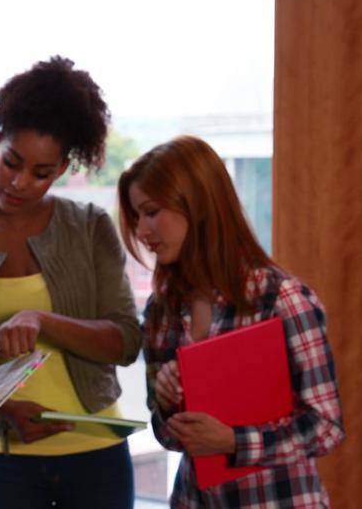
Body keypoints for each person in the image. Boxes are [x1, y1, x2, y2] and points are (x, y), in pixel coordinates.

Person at [0, 57, 141, 508]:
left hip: (97, 452)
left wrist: (41, 320)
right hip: (5, 458)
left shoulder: (90, 228)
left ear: (62, 168)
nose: (20, 182)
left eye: (41, 173)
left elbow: (125, 342)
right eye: (12, 162)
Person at [117, 135, 345, 507]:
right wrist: (168, 402)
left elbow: (326, 428)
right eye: (137, 215)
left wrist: (233, 442)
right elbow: (167, 434)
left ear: (200, 205)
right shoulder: (162, 308)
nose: (142, 231)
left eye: (152, 211)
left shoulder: (282, 299)